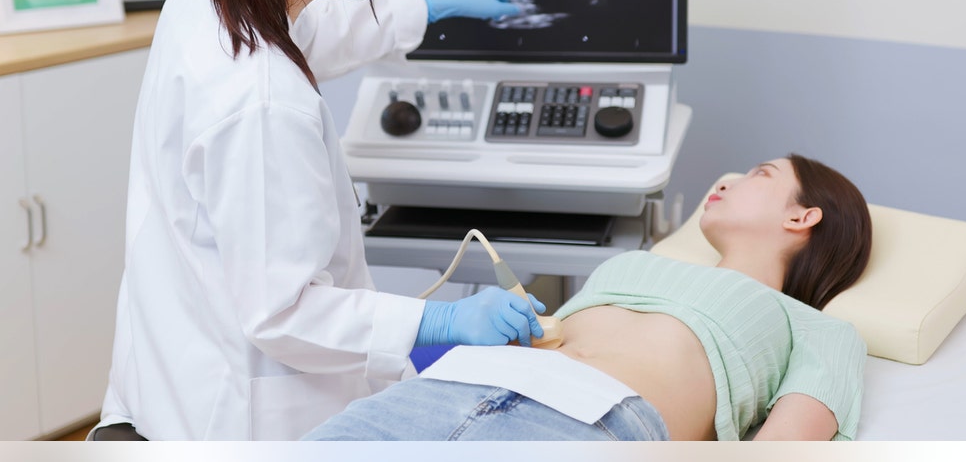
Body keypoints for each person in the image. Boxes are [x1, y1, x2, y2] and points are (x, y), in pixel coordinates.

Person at [93, 0, 545, 441]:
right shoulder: (265, 107)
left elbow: (310, 29)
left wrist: (434, 7)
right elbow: (284, 314)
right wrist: (435, 324)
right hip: (237, 415)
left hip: (172, 357)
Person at [303, 154, 874, 441]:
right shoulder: (639, 264)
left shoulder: (814, 326)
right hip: (443, 389)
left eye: (759, 173)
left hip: (590, 425)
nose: (725, 180)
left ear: (803, 215)